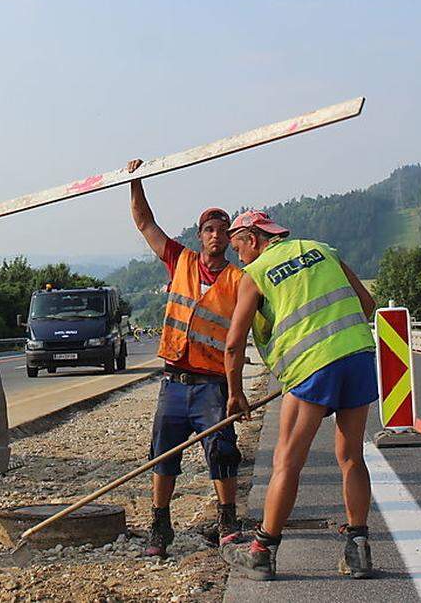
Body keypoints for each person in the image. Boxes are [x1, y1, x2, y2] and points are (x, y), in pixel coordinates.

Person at [218, 210, 378, 581]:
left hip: (312, 367)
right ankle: (359, 551)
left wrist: (235, 393)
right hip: (356, 356)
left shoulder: (255, 274)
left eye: (237, 245)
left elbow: (233, 344)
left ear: (253, 238)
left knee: (288, 460)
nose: (236, 254)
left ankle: (262, 552)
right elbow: (367, 305)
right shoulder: (323, 250)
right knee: (351, 456)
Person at [126, 158, 244, 558]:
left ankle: (228, 520)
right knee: (163, 455)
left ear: (229, 238)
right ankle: (160, 526)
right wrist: (135, 181)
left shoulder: (240, 280)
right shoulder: (180, 261)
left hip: (213, 384)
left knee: (223, 452)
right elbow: (144, 224)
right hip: (174, 382)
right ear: (200, 235)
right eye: (209, 229)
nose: (216, 235)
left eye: (223, 230)